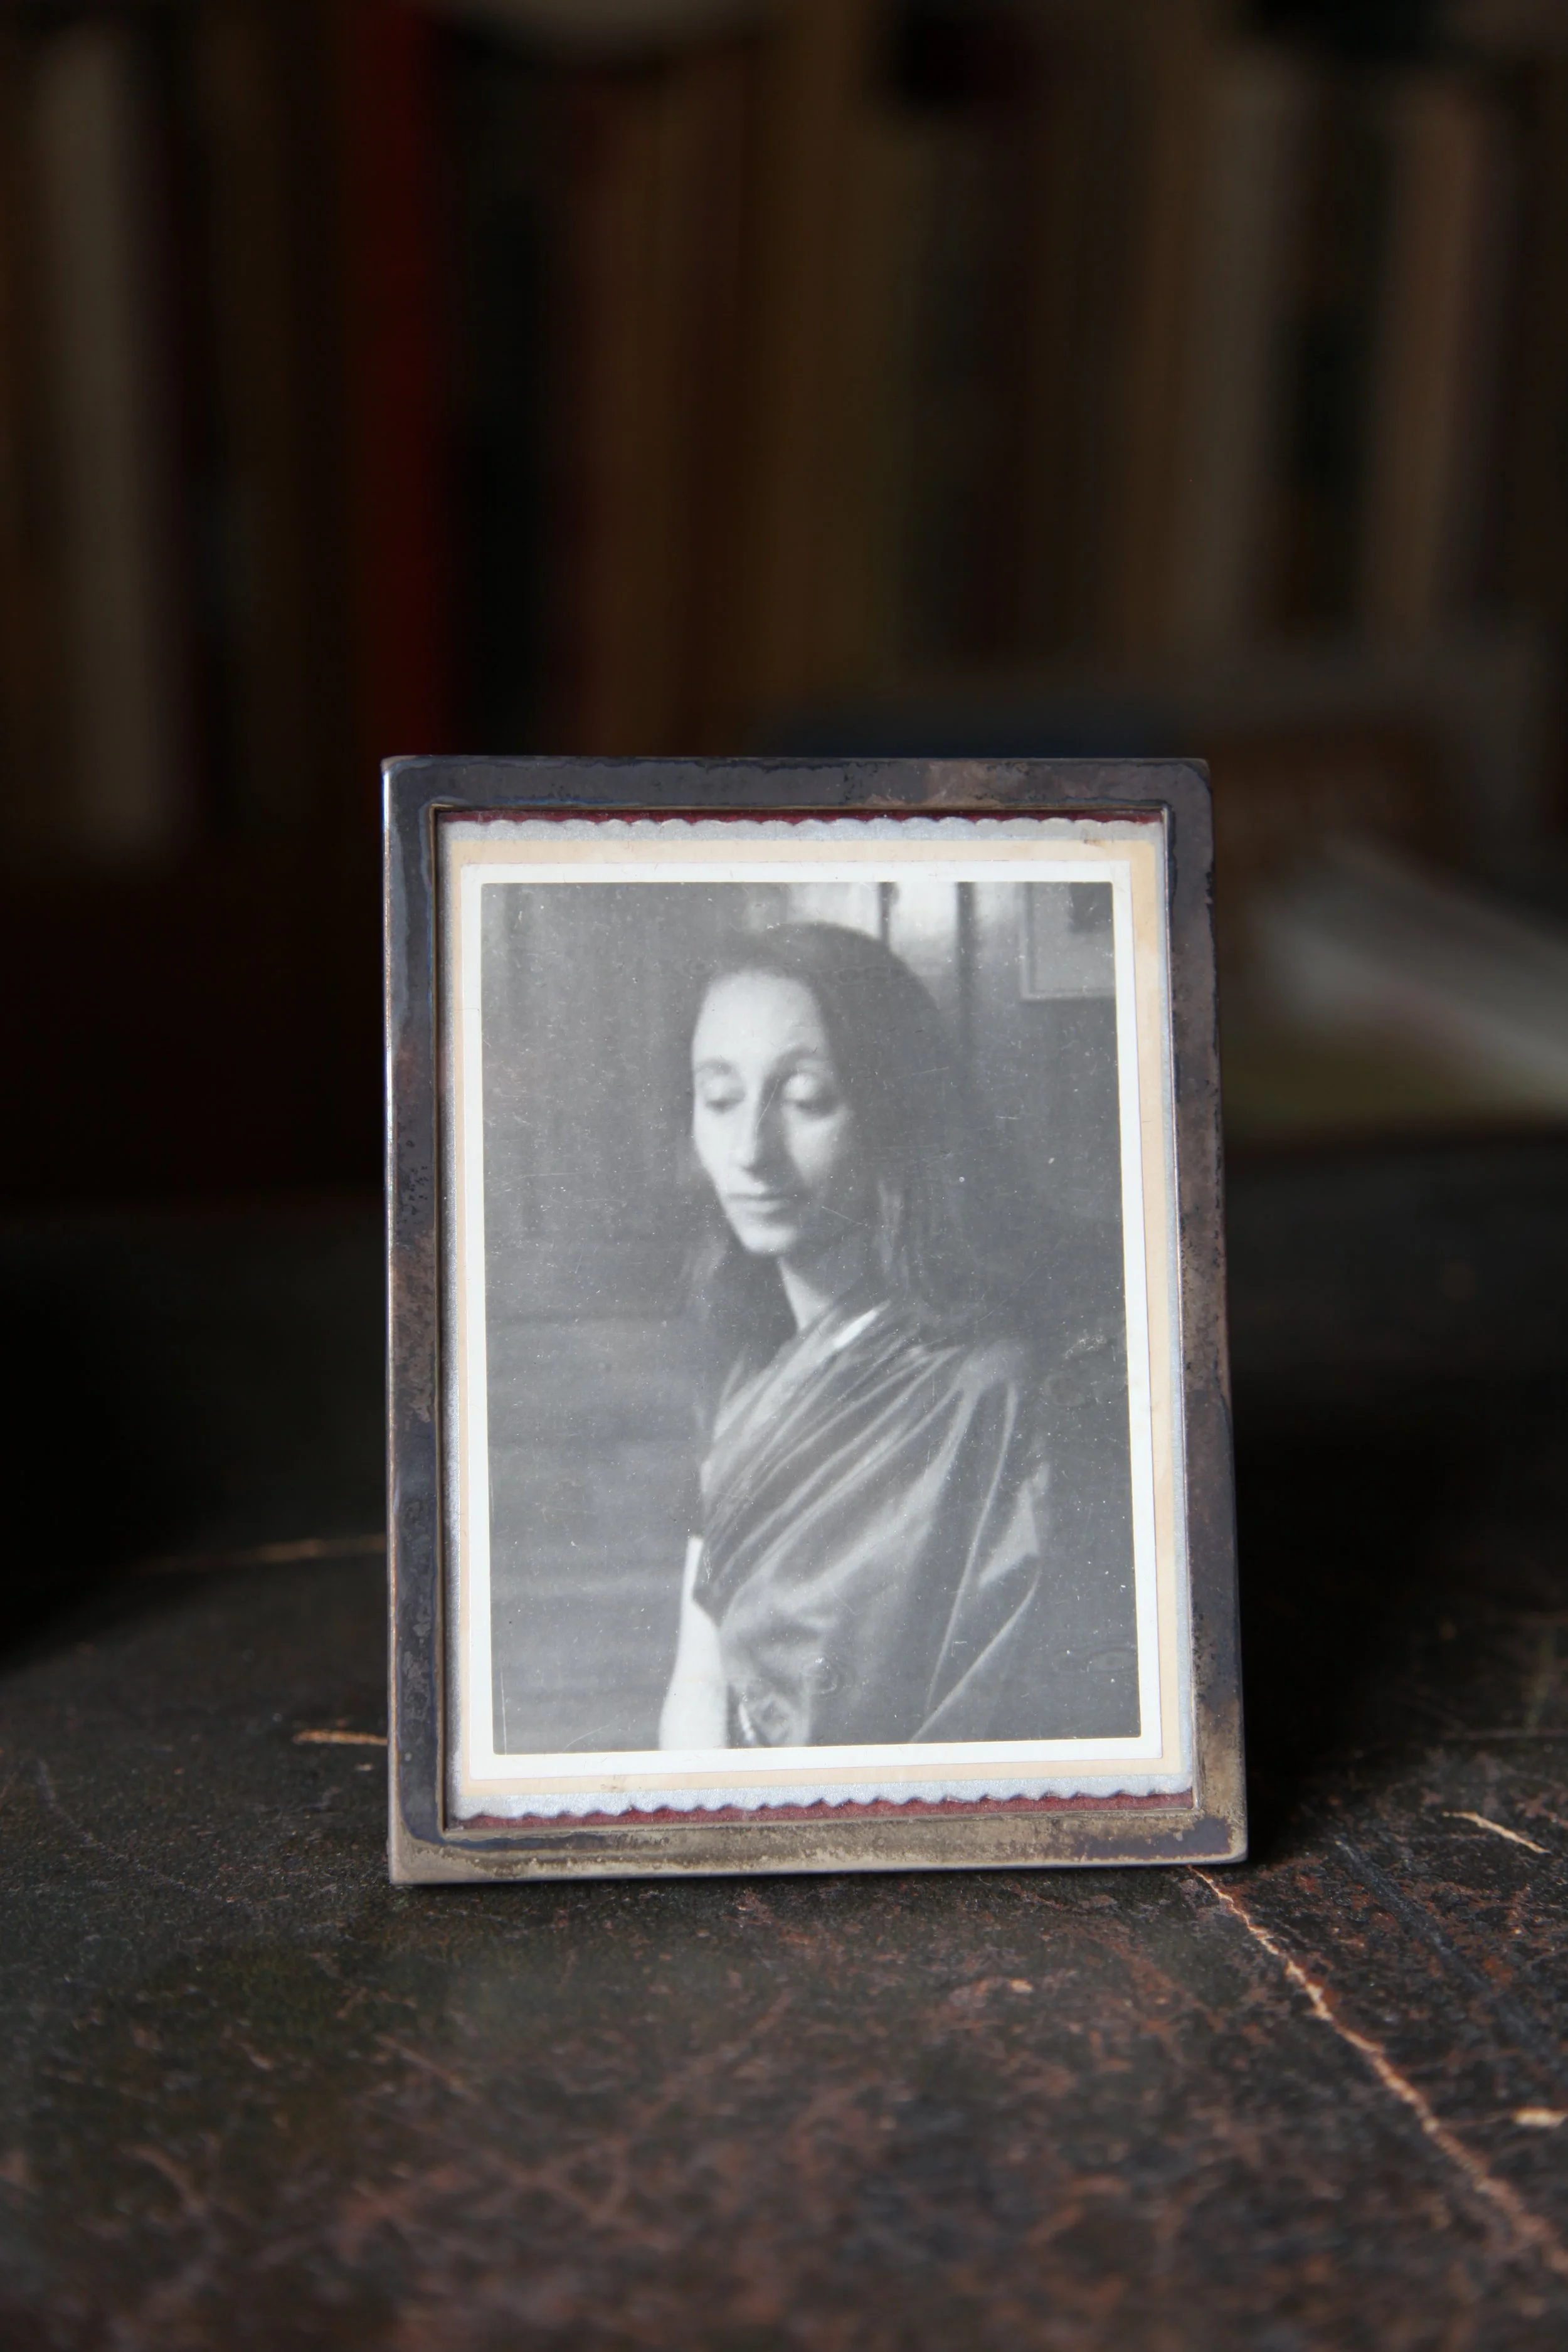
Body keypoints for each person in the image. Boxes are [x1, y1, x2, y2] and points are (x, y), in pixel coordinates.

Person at [657, 919, 1137, 1753]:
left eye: (807, 1099)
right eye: (721, 1098)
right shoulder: (749, 1373)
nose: (749, 1150)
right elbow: (698, 1678)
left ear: (895, 1110)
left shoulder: (985, 1389)